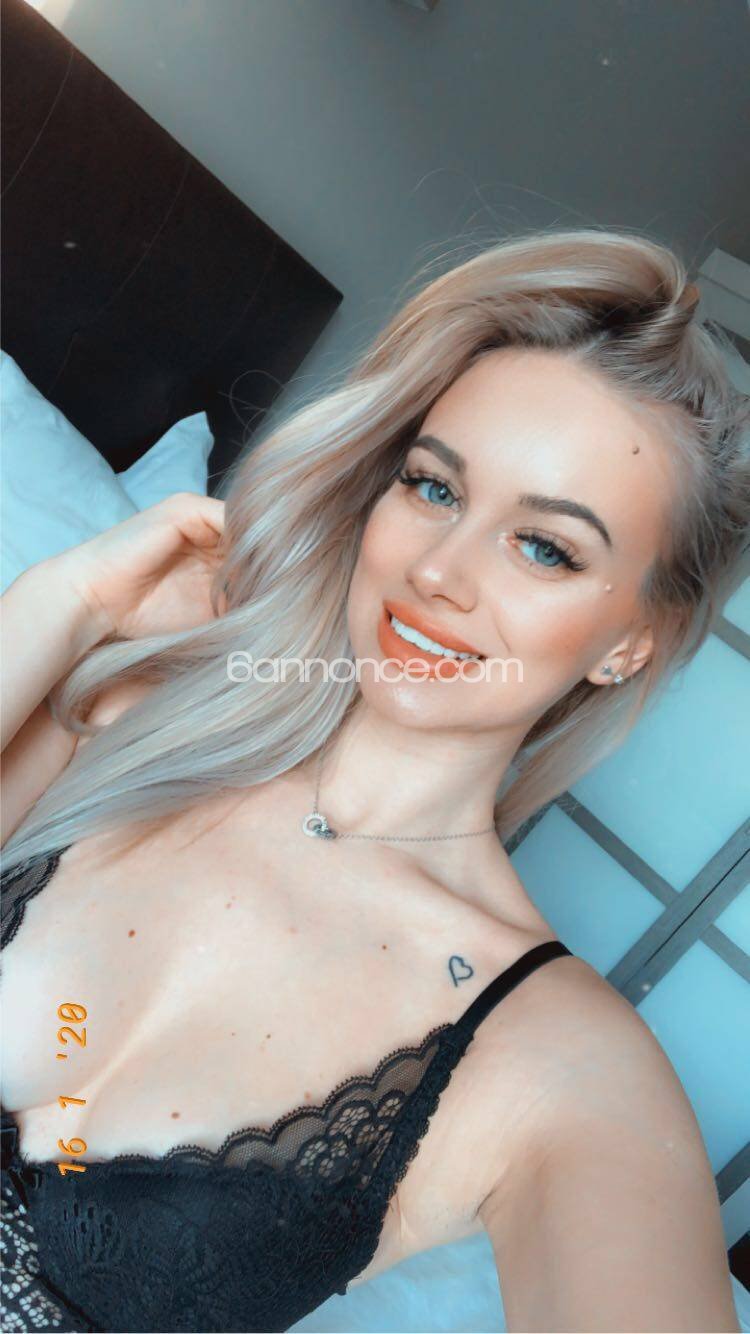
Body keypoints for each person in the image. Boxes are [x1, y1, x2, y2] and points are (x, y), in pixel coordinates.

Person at [1, 227, 747, 1333]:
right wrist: (65, 603)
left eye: (546, 547)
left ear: (633, 641)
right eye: (434, 488)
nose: (438, 570)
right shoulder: (132, 709)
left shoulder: (557, 1062)